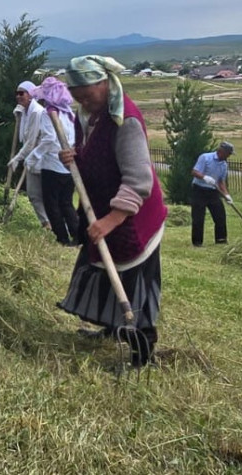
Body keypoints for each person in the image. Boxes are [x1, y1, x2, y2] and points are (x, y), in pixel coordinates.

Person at [57, 55, 167, 368]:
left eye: (87, 93)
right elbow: (99, 156)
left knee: (133, 288)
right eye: (76, 95)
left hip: (133, 220)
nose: (82, 100)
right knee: (105, 274)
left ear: (104, 83)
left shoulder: (125, 121)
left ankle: (142, 356)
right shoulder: (89, 114)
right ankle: (111, 329)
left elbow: (138, 179)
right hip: (104, 212)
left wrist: (112, 220)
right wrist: (75, 156)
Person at [31, 76, 80, 246]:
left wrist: (33, 157)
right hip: (69, 167)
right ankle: (77, 234)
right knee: (66, 202)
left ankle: (62, 238)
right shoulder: (69, 113)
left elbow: (49, 138)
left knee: (52, 204)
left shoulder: (49, 113)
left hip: (53, 164)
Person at [7, 80, 50, 230]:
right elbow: (22, 137)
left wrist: (18, 158)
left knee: (45, 195)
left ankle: (54, 224)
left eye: (22, 93)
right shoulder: (24, 111)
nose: (18, 96)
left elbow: (31, 141)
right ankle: (46, 224)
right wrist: (18, 116)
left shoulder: (36, 112)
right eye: (16, 93)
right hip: (31, 158)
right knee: (33, 195)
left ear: (31, 95)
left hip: (42, 158)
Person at [190, 141, 235, 247]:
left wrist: (227, 195)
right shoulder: (205, 158)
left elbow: (221, 182)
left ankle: (221, 240)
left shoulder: (224, 164)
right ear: (221, 151)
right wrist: (204, 177)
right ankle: (197, 243)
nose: (229, 156)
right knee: (198, 218)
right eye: (228, 153)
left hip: (213, 192)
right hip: (199, 190)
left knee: (220, 216)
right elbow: (194, 172)